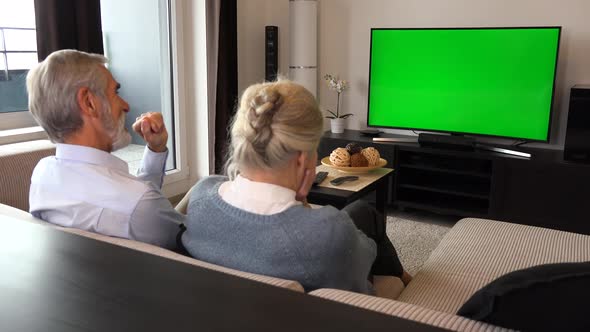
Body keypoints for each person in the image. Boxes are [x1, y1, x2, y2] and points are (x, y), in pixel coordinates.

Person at [181, 79, 410, 293]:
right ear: (302, 160)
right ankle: (408, 282)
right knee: (366, 217)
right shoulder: (330, 233)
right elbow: (361, 272)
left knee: (362, 211)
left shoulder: (202, 196)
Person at [27, 49, 184, 249]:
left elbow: (135, 201)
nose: (126, 105)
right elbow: (193, 242)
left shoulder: (42, 175)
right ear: (89, 103)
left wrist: (156, 148)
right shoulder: (138, 204)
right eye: (116, 93)